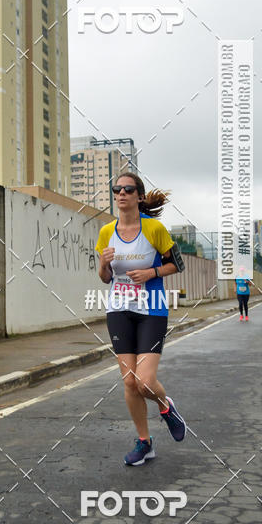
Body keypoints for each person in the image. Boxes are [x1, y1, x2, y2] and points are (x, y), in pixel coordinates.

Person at [96, 173, 186, 467]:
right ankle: (145, 442)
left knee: (145, 382)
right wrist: (103, 263)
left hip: (152, 309)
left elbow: (177, 264)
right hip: (119, 310)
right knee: (130, 383)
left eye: (128, 189)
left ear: (139, 196)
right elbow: (105, 278)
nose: (121, 193)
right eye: (116, 189)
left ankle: (165, 405)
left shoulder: (154, 229)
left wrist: (151, 273)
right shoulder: (106, 232)